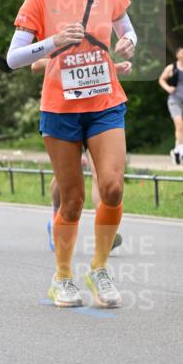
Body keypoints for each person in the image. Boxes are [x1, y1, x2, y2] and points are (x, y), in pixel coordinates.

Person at [7, 0, 137, 308]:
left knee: (112, 187)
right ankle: (62, 277)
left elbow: (126, 30)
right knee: (73, 200)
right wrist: (53, 41)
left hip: (105, 103)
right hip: (61, 108)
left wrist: (128, 42)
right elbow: (14, 57)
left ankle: (99, 268)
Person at [32, 57, 132, 252]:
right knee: (65, 179)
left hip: (99, 109)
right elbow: (35, 64)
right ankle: (55, 216)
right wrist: (69, 63)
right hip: (64, 110)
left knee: (101, 174)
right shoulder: (57, 30)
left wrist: (113, 67)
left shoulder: (97, 31)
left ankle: (104, 227)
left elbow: (94, 64)